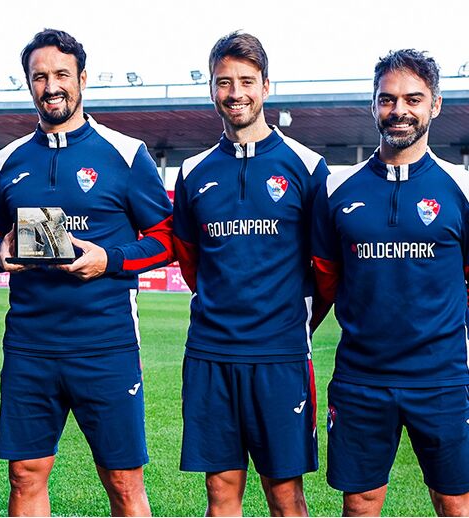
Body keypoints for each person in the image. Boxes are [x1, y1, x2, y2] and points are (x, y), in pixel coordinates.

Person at [0, 29, 173, 516]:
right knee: (25, 475)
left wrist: (110, 260)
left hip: (105, 345)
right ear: (28, 83)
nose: (51, 87)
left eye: (61, 74)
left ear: (82, 79)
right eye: (39, 76)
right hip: (29, 345)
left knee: (123, 481)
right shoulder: (10, 158)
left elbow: (166, 238)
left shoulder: (125, 153)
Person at [172, 31, 329, 516]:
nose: (235, 92)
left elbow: (325, 269)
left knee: (285, 495)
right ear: (211, 89)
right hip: (210, 354)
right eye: (224, 82)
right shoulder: (193, 171)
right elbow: (191, 261)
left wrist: (290, 321)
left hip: (280, 356)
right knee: (220, 492)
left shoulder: (307, 167)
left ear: (265, 85)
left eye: (246, 81)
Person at [311, 49, 469, 517]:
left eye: (413, 99)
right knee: (360, 503)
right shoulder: (337, 190)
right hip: (361, 379)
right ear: (373, 105)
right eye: (387, 99)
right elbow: (325, 278)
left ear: (435, 105)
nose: (399, 110)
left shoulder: (460, 187)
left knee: (455, 500)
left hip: (442, 379)